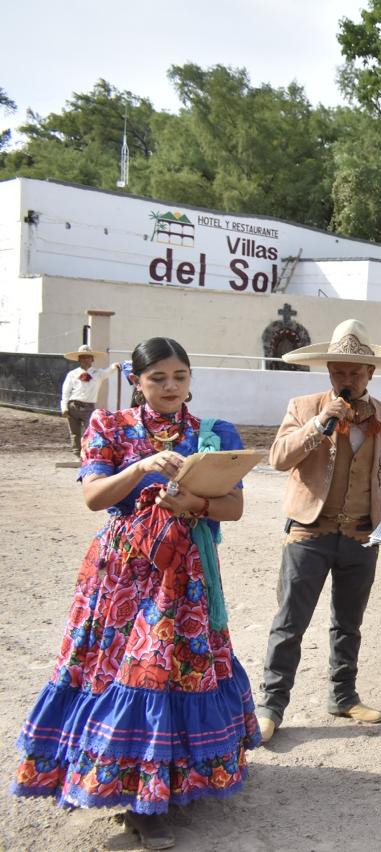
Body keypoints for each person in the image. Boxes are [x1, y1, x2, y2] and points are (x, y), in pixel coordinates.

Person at [13, 337, 259, 850]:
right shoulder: (109, 426)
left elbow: (232, 509)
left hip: (187, 575)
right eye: (158, 379)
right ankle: (137, 800)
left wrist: (191, 499)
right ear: (137, 382)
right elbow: (93, 497)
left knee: (175, 670)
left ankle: (175, 781)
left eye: (180, 377)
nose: (171, 387)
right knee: (122, 671)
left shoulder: (213, 434)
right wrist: (142, 468)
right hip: (122, 574)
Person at [256, 319, 381, 743]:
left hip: (363, 536)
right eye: (338, 371)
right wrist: (318, 425)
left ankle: (343, 695)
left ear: (371, 373)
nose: (345, 378)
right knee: (290, 622)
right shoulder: (303, 407)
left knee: (349, 622)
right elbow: (278, 457)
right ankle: (271, 705)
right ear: (328, 371)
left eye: (354, 371)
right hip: (308, 533)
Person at [59, 344, 109, 455]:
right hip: (74, 405)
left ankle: (89, 452)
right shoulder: (72, 374)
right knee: (74, 432)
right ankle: (77, 453)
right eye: (82, 357)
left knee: (91, 430)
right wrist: (64, 407)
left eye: (88, 357)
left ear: (92, 359)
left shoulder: (98, 373)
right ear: (79, 359)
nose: (85, 360)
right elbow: (66, 391)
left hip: (89, 406)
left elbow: (109, 371)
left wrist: (117, 366)